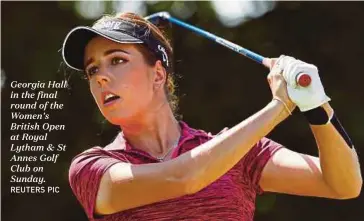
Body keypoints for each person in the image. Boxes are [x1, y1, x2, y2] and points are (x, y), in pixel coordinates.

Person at [62, 12, 362, 221]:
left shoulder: (241, 152)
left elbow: (343, 184)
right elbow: (183, 177)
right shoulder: (92, 168)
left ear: (157, 74)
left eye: (117, 60)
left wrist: (315, 103)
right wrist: (279, 107)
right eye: (93, 70)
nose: (101, 77)